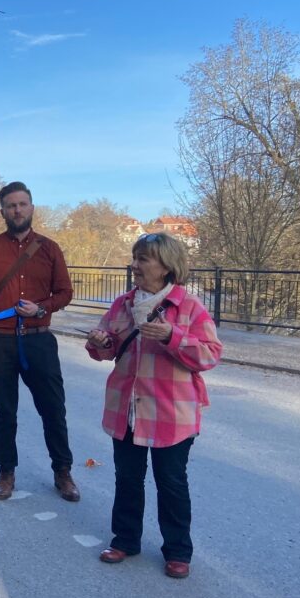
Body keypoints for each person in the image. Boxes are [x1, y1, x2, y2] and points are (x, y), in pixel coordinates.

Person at [85, 232, 222, 579]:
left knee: (171, 482)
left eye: (143, 259)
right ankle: (125, 540)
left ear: (166, 266)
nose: (135, 265)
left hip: (172, 412)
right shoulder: (122, 304)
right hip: (126, 407)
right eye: (135, 257)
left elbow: (210, 355)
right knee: (127, 478)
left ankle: (178, 552)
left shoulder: (188, 307)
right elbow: (105, 350)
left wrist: (173, 337)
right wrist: (100, 343)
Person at [0, 181, 79, 502]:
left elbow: (65, 293)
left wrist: (42, 308)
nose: (17, 210)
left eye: (23, 204)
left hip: (39, 340)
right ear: (2, 210)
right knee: (5, 410)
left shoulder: (50, 248)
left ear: (32, 207)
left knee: (53, 409)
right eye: (11, 205)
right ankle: (6, 472)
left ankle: (63, 471)